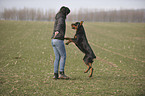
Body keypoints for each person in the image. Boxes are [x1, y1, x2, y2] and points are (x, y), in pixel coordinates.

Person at [51, 6, 70, 79]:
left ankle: (55, 75)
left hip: (53, 40)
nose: (67, 15)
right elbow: (60, 24)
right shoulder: (61, 17)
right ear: (65, 12)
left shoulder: (58, 16)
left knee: (57, 57)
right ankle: (61, 73)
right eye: (67, 14)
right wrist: (57, 31)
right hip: (58, 40)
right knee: (63, 56)